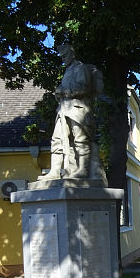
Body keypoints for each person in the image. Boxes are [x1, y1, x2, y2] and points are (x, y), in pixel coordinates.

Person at [39, 45, 102, 180]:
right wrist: (59, 91)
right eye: (61, 57)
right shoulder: (68, 71)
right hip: (63, 110)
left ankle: (83, 171)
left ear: (72, 54)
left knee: (80, 140)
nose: (63, 59)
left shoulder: (81, 68)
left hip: (78, 110)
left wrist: (67, 91)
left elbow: (85, 87)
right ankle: (55, 171)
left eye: (65, 55)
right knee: (57, 140)